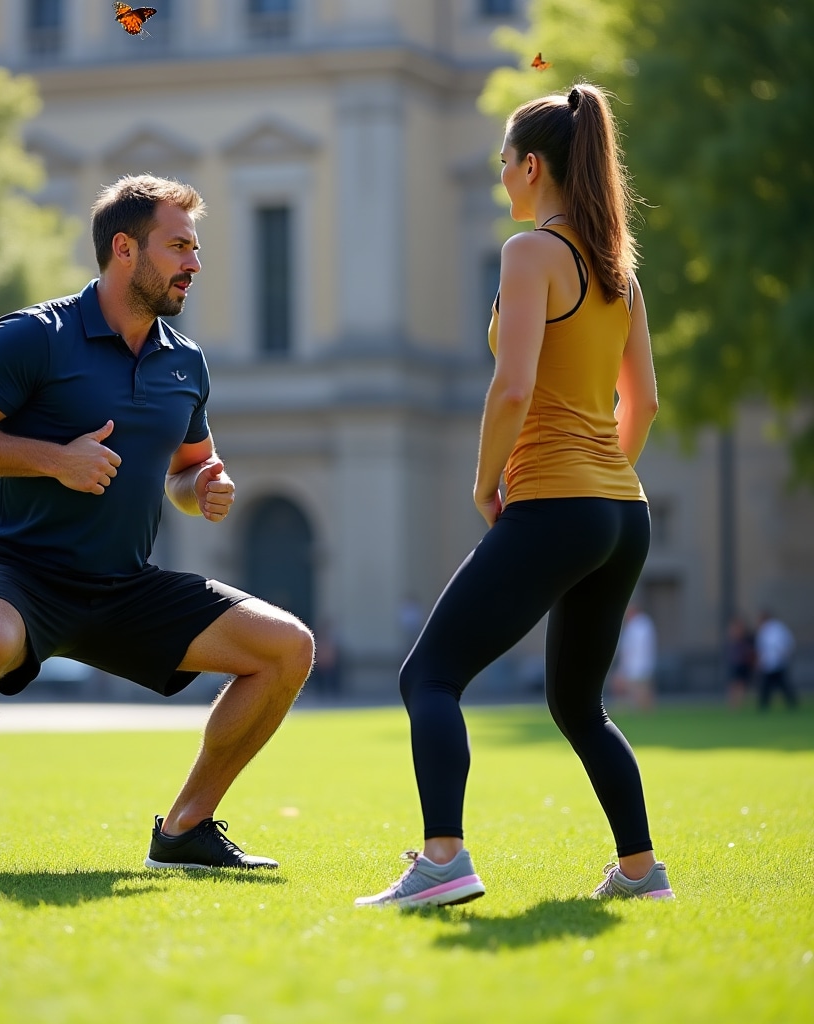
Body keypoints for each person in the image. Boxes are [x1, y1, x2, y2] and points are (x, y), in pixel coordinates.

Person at [0, 174, 314, 874]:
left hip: (124, 585)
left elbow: (187, 470)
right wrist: (54, 460)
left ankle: (185, 829)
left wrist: (201, 488)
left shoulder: (185, 362)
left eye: (195, 247)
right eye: (179, 246)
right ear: (124, 249)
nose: (195, 263)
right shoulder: (36, 335)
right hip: (16, 571)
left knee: (288, 648)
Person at [356, 84, 673, 907]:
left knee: (428, 676)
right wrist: (602, 482)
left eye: (503, 161)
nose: (500, 175)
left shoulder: (530, 253)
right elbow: (643, 405)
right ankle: (641, 872)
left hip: (558, 502)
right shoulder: (621, 274)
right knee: (579, 705)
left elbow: (512, 387)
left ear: (532, 167)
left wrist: (485, 480)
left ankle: (443, 861)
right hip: (623, 512)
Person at [611, 604, 657, 710]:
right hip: (637, 665)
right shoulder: (636, 625)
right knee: (637, 691)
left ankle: (641, 709)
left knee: (641, 691)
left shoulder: (640, 625)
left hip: (637, 665)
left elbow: (635, 648)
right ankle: (631, 707)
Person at [754, 610, 798, 710]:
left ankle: (790, 704)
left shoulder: (775, 629)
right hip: (770, 663)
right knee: (770, 686)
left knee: (780, 685)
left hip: (777, 662)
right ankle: (764, 705)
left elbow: (784, 644)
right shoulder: (767, 629)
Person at [725, 614, 756, 710]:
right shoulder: (734, 639)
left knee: (741, 684)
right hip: (736, 663)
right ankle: (733, 704)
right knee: (734, 684)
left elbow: (751, 652)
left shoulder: (747, 638)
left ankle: (738, 704)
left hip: (743, 663)